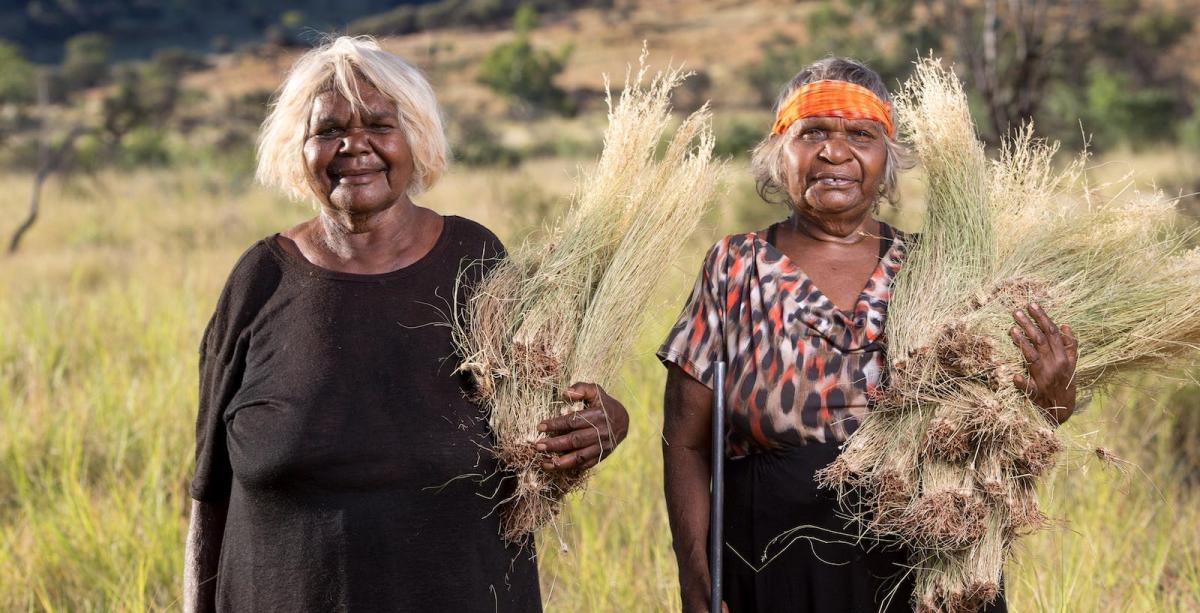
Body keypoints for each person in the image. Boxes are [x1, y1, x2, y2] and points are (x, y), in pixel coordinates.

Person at [182, 36, 629, 613]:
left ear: (416, 139)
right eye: (329, 130)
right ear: (298, 148)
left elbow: (544, 433)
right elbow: (209, 493)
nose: (354, 146)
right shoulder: (260, 280)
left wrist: (604, 425)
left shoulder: (477, 263)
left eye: (379, 125)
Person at [658, 57, 1078, 613]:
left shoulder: (940, 269)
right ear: (778, 150)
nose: (835, 153)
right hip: (772, 569)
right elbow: (685, 442)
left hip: (929, 564)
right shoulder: (735, 267)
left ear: (888, 157)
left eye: (861, 134)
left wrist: (1053, 398)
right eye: (812, 134)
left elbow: (1005, 426)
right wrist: (695, 580)